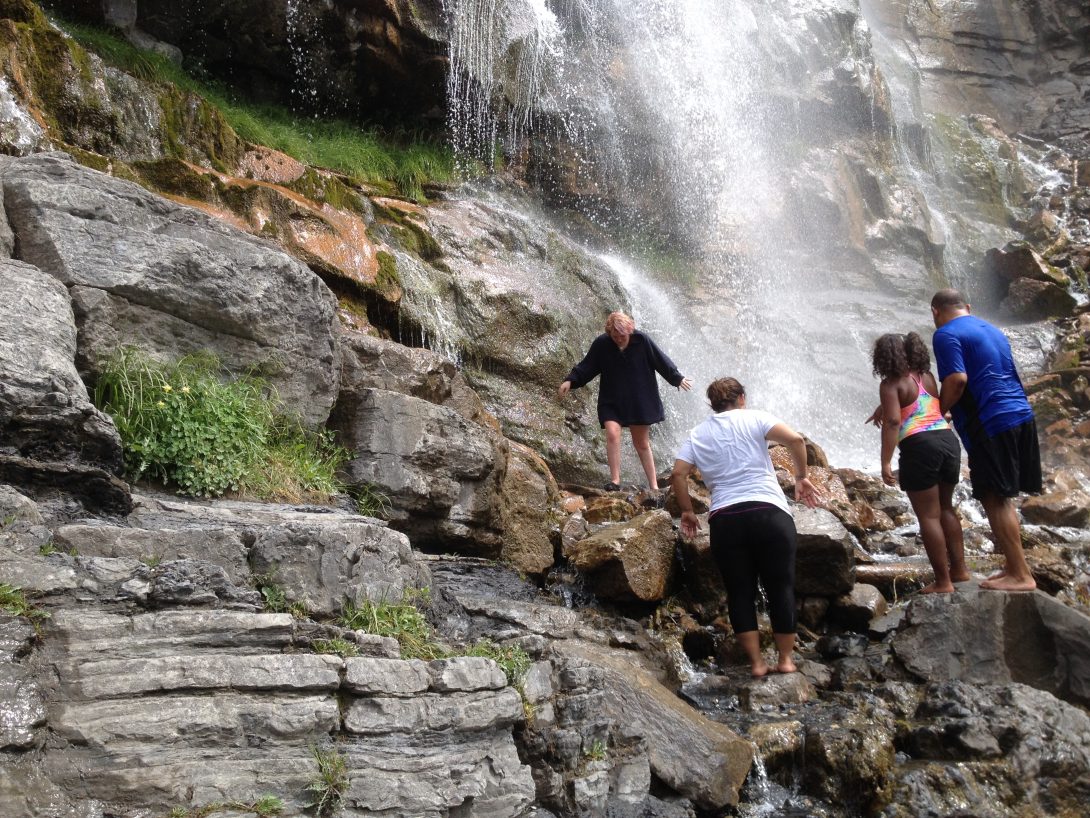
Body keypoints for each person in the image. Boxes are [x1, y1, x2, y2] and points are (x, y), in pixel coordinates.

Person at [670, 377, 819, 678]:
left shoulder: (698, 434)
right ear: (741, 398)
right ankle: (786, 660)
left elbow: (678, 474)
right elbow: (796, 440)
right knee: (781, 587)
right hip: (769, 512)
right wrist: (801, 476)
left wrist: (687, 510)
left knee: (740, 592)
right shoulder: (756, 418)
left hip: (726, 518)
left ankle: (756, 664)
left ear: (712, 405)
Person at [930, 288, 1041, 592]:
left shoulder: (946, 334)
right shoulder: (991, 329)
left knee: (994, 498)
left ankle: (1021, 575)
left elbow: (957, 379)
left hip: (992, 422)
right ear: (967, 306)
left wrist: (939, 411)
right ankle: (1013, 565)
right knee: (1003, 496)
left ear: (935, 312)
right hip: (1020, 415)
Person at [868, 332, 968, 593]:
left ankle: (943, 582)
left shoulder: (891, 385)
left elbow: (892, 423)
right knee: (946, 508)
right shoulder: (927, 377)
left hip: (921, 447)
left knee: (928, 517)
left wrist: (885, 462)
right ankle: (959, 571)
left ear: (884, 356)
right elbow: (920, 405)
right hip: (948, 441)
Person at [558, 311, 692, 491]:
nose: (619, 339)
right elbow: (587, 365)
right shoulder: (602, 344)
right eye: (615, 336)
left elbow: (661, 361)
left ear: (630, 330)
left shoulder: (642, 340)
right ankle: (615, 481)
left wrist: (677, 378)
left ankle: (653, 486)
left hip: (639, 399)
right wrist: (571, 380)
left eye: (622, 335)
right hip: (612, 398)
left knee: (642, 443)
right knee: (613, 434)